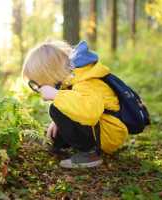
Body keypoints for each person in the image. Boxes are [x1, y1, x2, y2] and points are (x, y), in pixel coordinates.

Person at [22, 40, 128, 168]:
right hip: (99, 128)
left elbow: (90, 113)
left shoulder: (86, 81)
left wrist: (56, 95)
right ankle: (57, 143)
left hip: (108, 133)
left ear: (50, 74)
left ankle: (89, 154)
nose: (39, 88)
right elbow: (75, 104)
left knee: (56, 109)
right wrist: (57, 122)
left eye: (40, 84)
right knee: (57, 121)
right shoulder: (72, 77)